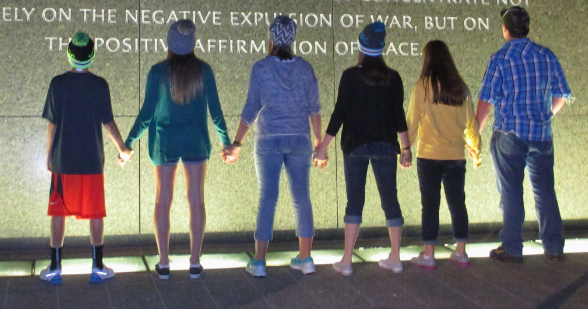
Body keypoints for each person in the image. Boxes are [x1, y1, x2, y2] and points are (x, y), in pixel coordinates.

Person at [123, 20, 231, 280]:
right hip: (195, 141)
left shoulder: (157, 72)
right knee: (196, 200)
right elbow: (216, 112)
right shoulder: (204, 71)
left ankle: (163, 263)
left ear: (169, 43)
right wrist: (226, 142)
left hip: (165, 142)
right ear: (192, 43)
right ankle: (194, 262)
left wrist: (128, 143)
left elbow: (147, 114)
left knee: (163, 200)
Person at [221, 16, 323, 277]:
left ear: (272, 39)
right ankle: (306, 258)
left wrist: (237, 143)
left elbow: (251, 109)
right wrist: (319, 144)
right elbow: (314, 110)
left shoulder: (261, 68)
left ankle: (259, 262)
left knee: (267, 198)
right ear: (293, 39)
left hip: (269, 139)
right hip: (300, 139)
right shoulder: (305, 68)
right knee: (302, 198)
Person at [315, 21, 411, 276]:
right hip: (386, 146)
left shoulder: (350, 76)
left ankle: (347, 260)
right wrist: (406, 148)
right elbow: (399, 117)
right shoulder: (393, 78)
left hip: (355, 145)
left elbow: (339, 114)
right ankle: (395, 257)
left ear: (361, 46)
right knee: (390, 199)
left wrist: (323, 147)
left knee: (354, 201)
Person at [476, 6, 571, 263]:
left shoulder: (500, 58)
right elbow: (562, 94)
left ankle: (512, 248)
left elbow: (486, 101)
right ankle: (553, 246)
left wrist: (475, 134)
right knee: (545, 191)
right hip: (541, 135)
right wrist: (545, 115)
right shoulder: (546, 55)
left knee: (511, 192)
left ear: (505, 30)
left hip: (509, 134)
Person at [40, 31, 133, 285]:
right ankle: (97, 267)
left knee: (58, 212)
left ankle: (55, 268)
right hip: (91, 161)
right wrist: (123, 149)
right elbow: (108, 123)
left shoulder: (57, 84)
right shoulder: (99, 85)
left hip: (63, 160)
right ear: (91, 56)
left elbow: (52, 124)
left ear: (69, 55)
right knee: (95, 213)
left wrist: (49, 156)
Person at [406, 40, 481, 270]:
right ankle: (461, 252)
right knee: (458, 203)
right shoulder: (461, 87)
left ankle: (429, 255)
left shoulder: (424, 85)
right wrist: (475, 149)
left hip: (428, 155)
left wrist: (405, 148)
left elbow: (412, 120)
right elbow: (471, 123)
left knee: (430, 205)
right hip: (456, 155)